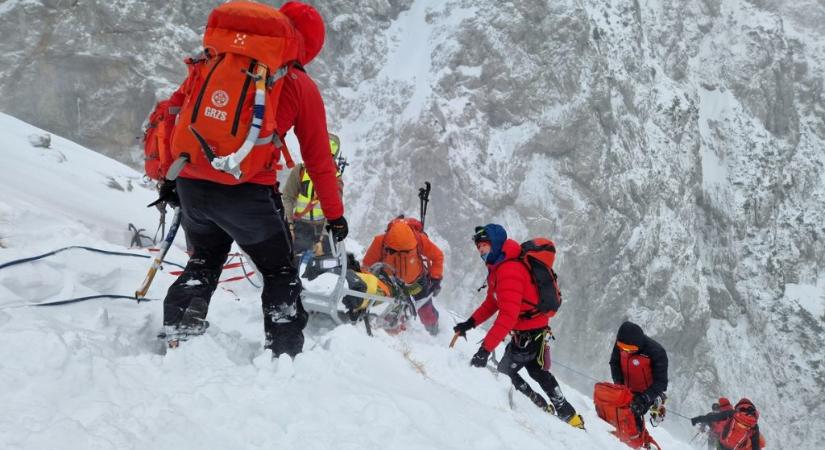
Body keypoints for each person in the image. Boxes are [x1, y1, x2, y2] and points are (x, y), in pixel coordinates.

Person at [155, 1, 347, 357]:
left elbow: (175, 115)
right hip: (245, 192)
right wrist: (334, 215)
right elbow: (319, 162)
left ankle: (179, 329)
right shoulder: (297, 83)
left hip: (191, 183)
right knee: (279, 272)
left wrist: (170, 177)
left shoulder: (215, 60)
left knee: (205, 258)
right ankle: (285, 354)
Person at [453, 224, 584, 429]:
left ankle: (539, 405)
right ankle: (568, 415)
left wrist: (485, 350)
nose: (481, 251)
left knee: (506, 371)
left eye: (484, 246)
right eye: (479, 247)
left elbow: (507, 316)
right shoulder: (499, 267)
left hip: (529, 332)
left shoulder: (509, 271)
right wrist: (469, 324)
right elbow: (493, 302)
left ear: (495, 245)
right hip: (535, 330)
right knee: (536, 371)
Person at [362, 216, 443, 335]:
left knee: (426, 312)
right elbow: (367, 266)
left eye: (406, 252)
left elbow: (437, 256)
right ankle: (392, 335)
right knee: (393, 314)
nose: (401, 254)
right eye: (395, 252)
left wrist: (435, 278)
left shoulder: (419, 240)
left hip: (416, 282)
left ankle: (433, 330)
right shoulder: (381, 242)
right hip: (391, 284)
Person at [282, 132, 343, 258]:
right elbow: (288, 197)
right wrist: (290, 225)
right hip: (300, 226)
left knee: (324, 262)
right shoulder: (300, 171)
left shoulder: (335, 179)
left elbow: (334, 211)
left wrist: (323, 238)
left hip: (323, 227)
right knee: (293, 259)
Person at [609, 321, 669, 431]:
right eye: (623, 348)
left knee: (632, 414)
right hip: (626, 388)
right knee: (612, 408)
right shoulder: (621, 344)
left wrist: (644, 398)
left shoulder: (656, 352)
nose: (626, 351)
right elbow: (614, 363)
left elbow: (661, 382)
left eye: (630, 349)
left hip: (646, 392)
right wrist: (619, 384)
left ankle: (636, 442)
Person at [691, 398, 766, 450]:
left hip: (721, 443)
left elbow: (713, 418)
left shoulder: (732, 414)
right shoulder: (754, 425)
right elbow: (755, 445)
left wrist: (697, 419)